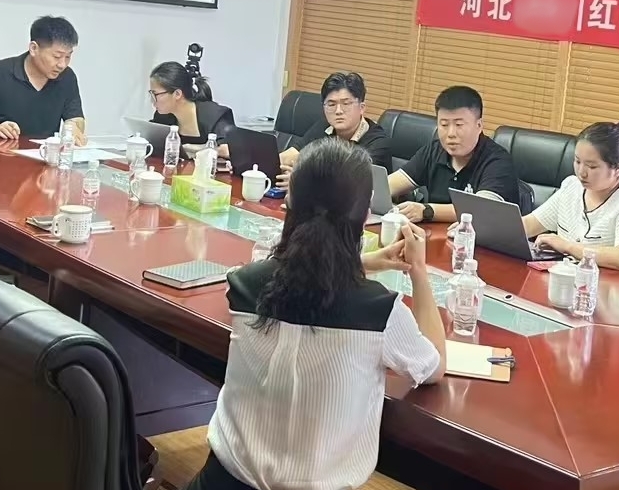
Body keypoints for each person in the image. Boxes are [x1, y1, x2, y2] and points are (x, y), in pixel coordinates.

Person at [186, 139, 444, 490]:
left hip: (220, 482)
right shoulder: (379, 311)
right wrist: (419, 271)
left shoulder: (245, 284)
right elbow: (433, 367)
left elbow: (297, 274)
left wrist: (361, 264)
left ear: (289, 201)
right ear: (366, 213)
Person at [522, 122, 619, 278]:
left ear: (617, 168)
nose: (581, 172)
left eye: (592, 166)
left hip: (614, 288)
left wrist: (567, 247)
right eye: (577, 161)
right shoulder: (571, 187)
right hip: (569, 281)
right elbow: (529, 224)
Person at [387, 85, 518, 224]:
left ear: (479, 126)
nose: (451, 134)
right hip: (433, 233)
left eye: (459, 125)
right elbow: (389, 185)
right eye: (444, 125)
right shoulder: (434, 151)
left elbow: (481, 209)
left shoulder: (497, 161)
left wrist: (427, 211)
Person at [0, 16, 86, 144]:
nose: (62, 64)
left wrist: (74, 127)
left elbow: (75, 117)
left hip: (42, 154)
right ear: (34, 48)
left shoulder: (67, 77)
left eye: (68, 57)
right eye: (57, 56)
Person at [276, 72, 392, 186]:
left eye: (346, 104)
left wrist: (301, 181)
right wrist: (273, 165)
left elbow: (351, 183)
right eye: (331, 105)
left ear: (361, 108)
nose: (338, 111)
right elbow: (293, 154)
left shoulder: (377, 142)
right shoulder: (325, 126)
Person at [149, 44, 235, 152]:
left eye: (156, 94)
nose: (152, 100)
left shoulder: (215, 115)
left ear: (177, 94)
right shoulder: (162, 117)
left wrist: (195, 149)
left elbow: (230, 150)